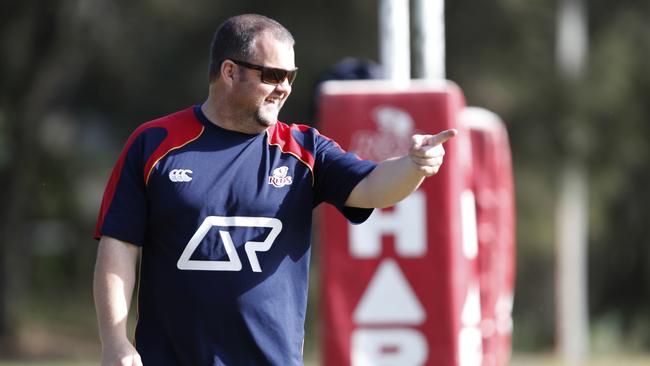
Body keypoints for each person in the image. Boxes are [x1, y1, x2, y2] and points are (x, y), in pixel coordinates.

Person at [93, 13, 456, 366]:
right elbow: (119, 245)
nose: (284, 87)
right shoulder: (154, 143)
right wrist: (115, 342)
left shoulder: (305, 150)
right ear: (229, 72)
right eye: (272, 74)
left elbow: (373, 187)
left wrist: (413, 166)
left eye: (290, 76)